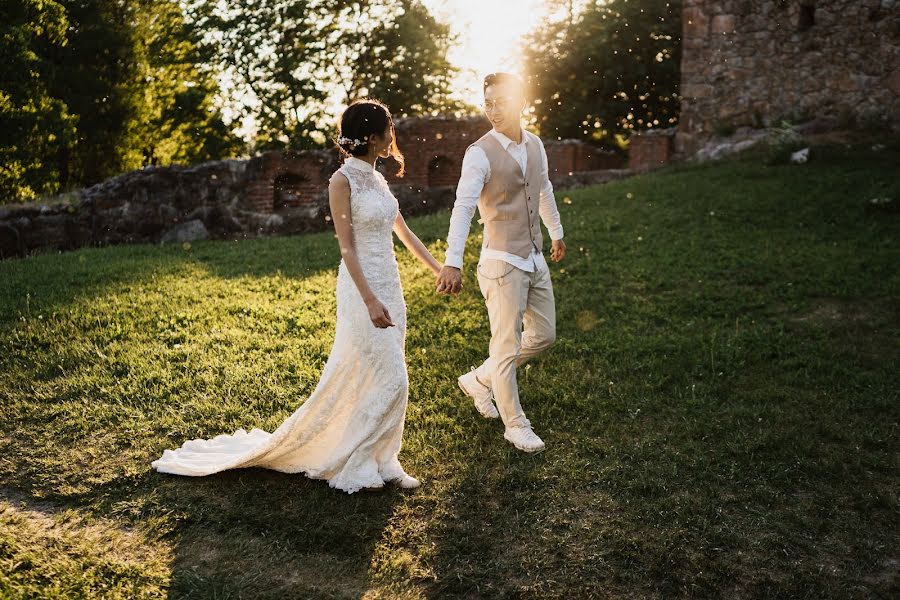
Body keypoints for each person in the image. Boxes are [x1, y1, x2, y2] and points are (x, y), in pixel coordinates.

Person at [152, 99, 443, 493]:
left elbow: (404, 233)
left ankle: (385, 460)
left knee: (379, 377)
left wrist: (439, 269)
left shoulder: (377, 178)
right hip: (362, 290)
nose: (394, 135)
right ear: (373, 138)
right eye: (389, 129)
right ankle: (356, 464)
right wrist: (371, 300)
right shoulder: (342, 182)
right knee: (395, 379)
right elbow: (347, 249)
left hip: (392, 286)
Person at [435, 72, 567, 453]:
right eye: (487, 103)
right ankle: (515, 424)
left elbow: (543, 189)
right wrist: (452, 261)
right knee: (506, 346)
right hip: (500, 262)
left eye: (501, 102)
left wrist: (555, 232)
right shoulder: (479, 153)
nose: (492, 111)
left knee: (544, 335)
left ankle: (480, 379)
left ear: (521, 101)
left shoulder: (536, 145)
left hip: (534, 255)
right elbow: (462, 208)